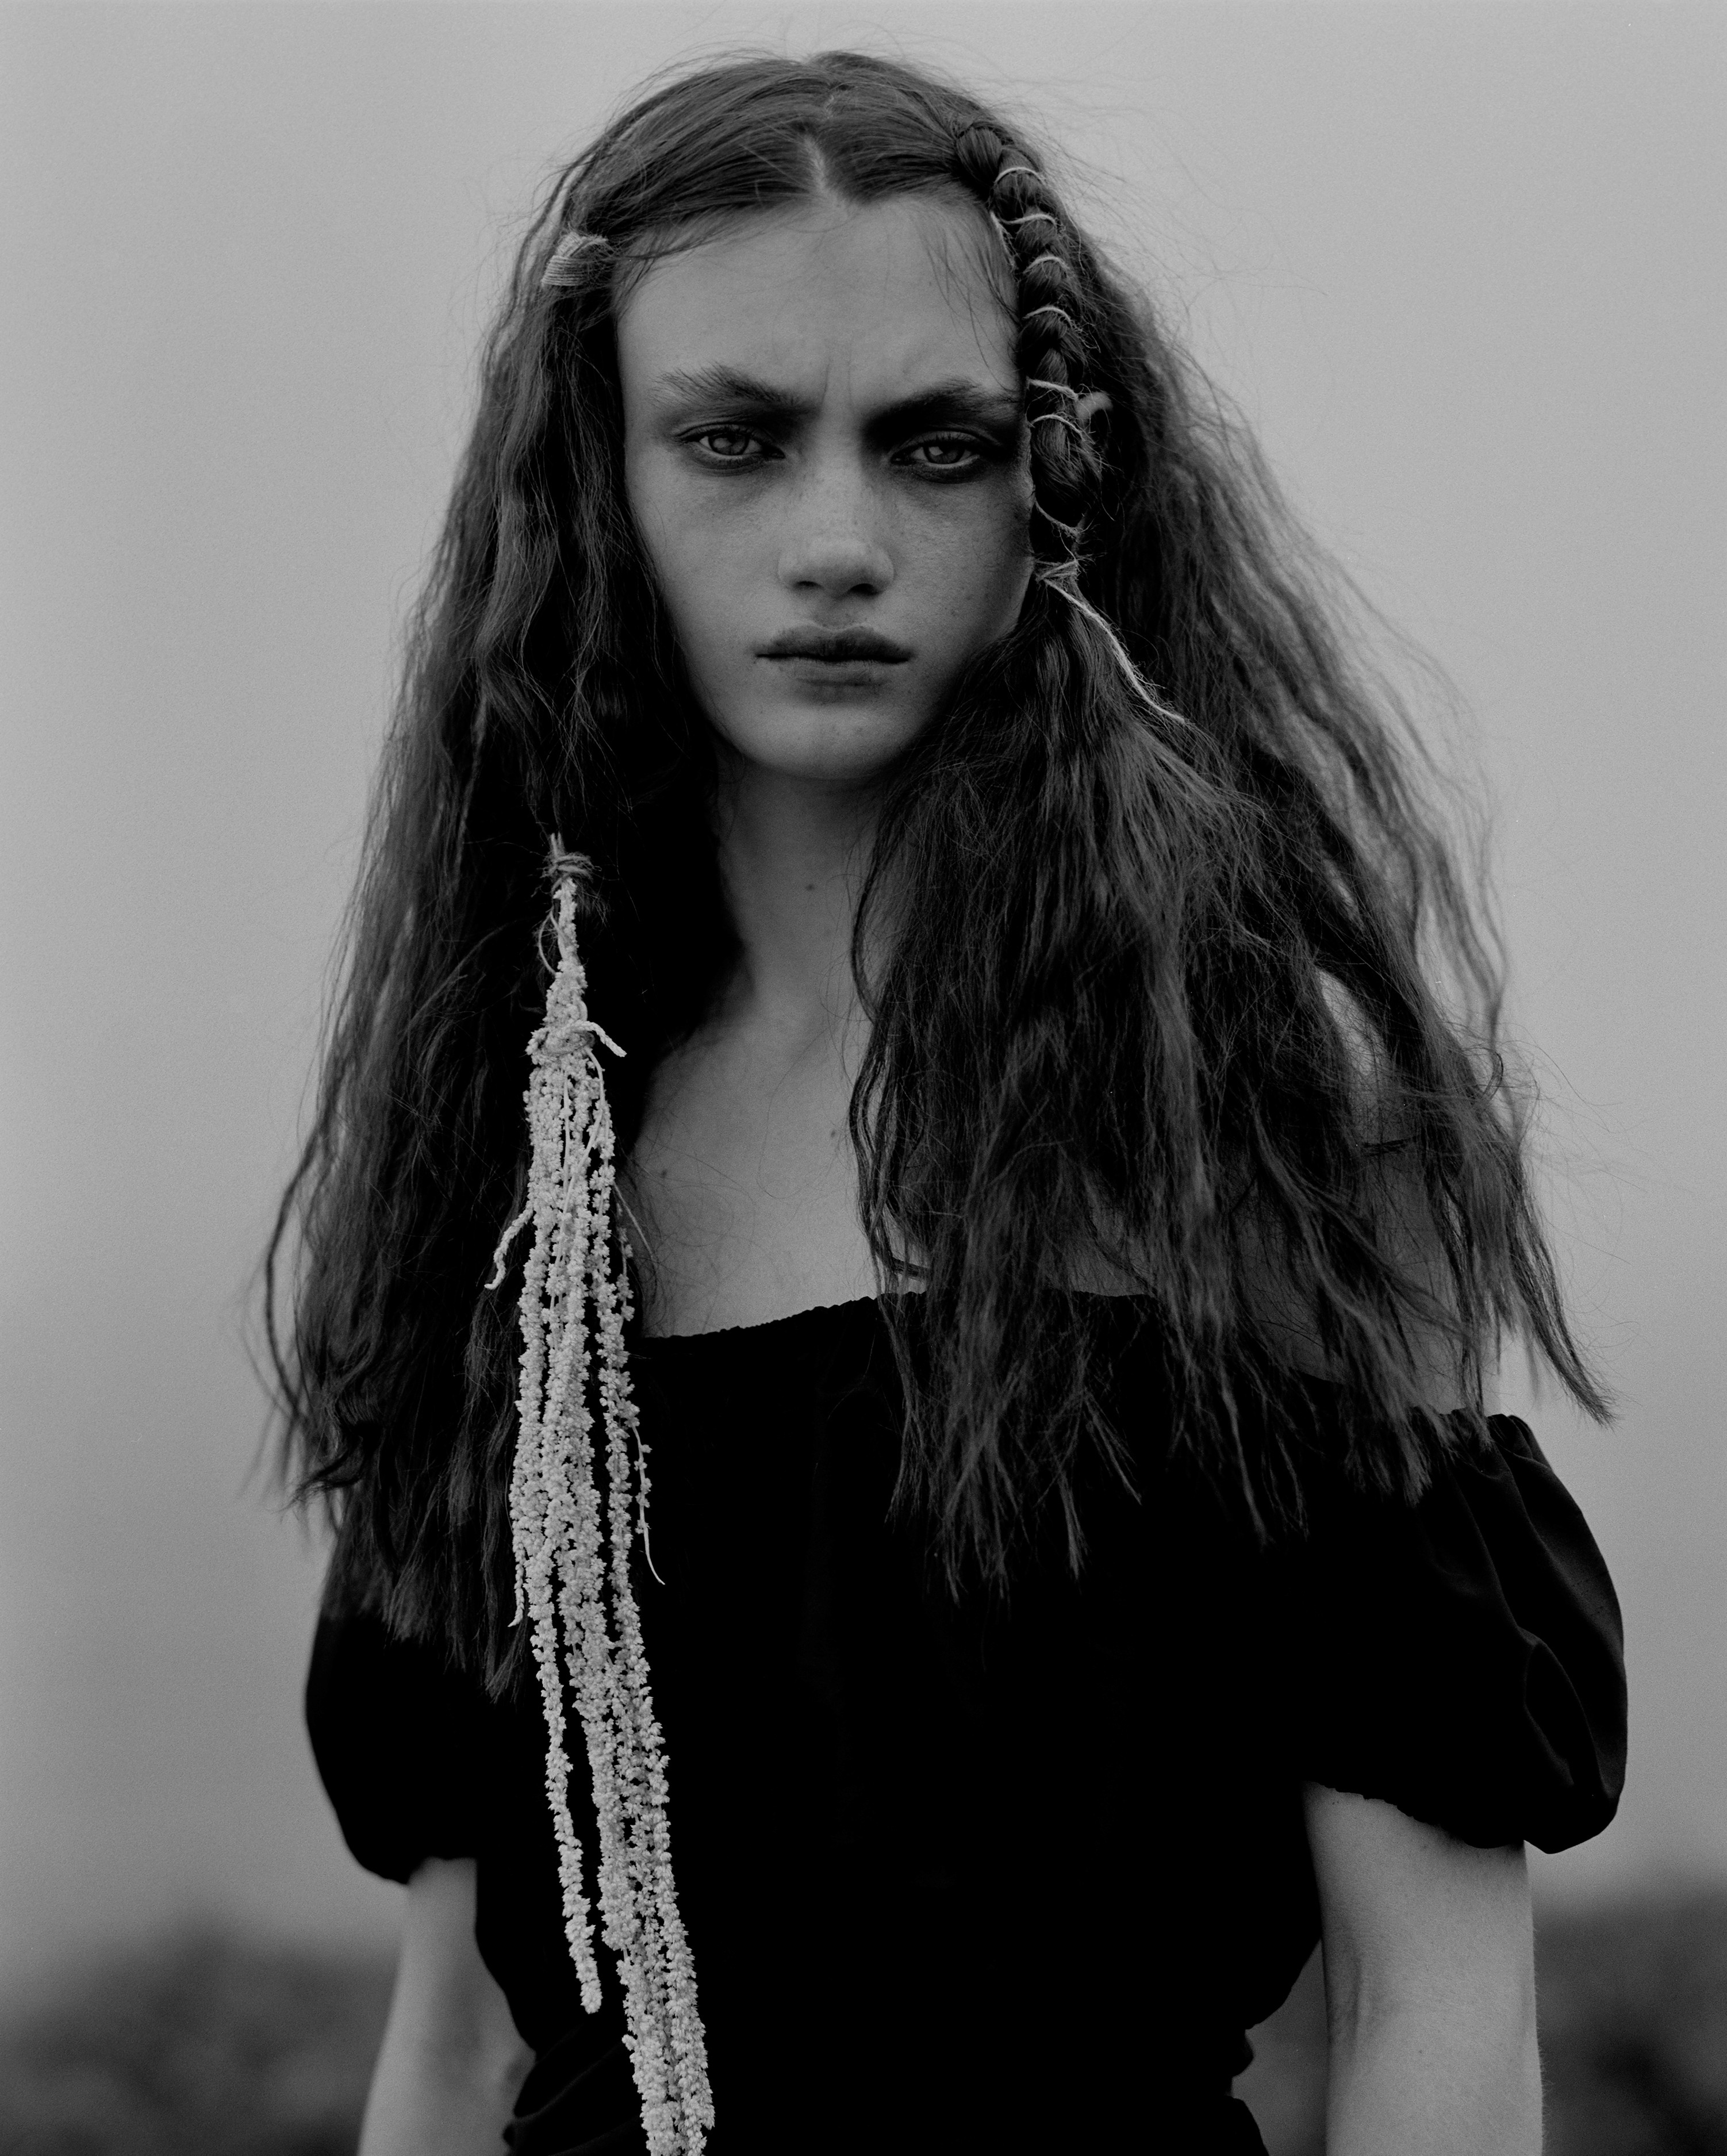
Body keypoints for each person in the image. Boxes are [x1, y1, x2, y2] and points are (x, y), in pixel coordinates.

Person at [265, 47, 1626, 2156]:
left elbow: (1435, 2017)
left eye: (936, 446)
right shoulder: (518, 1172)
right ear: (596, 489)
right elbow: (456, 2047)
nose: (838, 541)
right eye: (733, 438)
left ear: (1051, 490)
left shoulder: (1262, 1130)